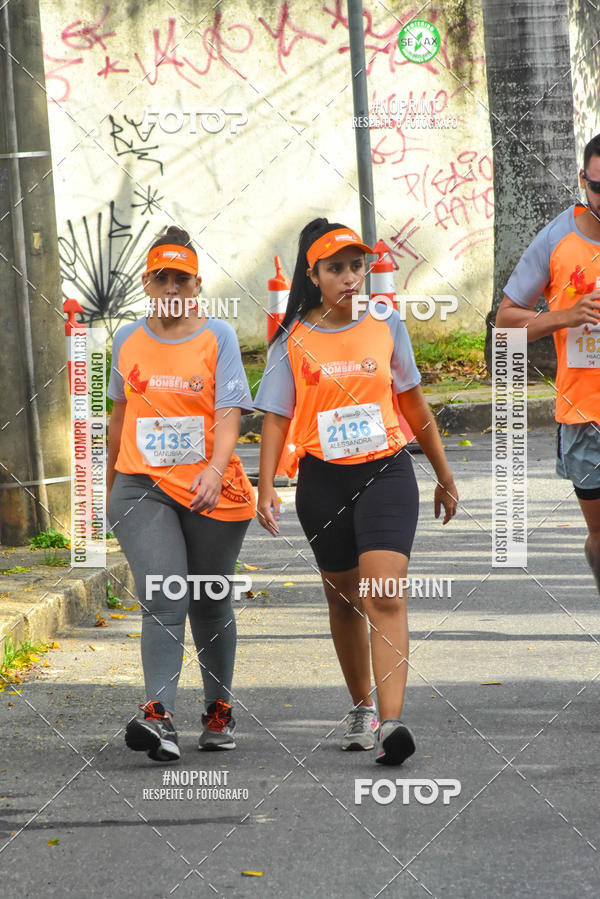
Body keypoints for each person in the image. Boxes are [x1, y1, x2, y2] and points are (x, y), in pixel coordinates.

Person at [254, 218, 458, 765]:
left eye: (356, 266)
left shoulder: (385, 322)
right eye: (336, 269)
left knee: (384, 593)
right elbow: (275, 417)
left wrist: (443, 473)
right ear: (314, 275)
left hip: (386, 471)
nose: (349, 277)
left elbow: (412, 401)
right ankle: (362, 708)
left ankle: (392, 723)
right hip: (322, 479)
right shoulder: (292, 337)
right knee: (344, 601)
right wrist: (267, 485)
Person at [106, 225, 255, 761]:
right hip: (141, 487)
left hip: (206, 488)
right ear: (147, 283)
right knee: (165, 594)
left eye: (182, 278)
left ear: (197, 284)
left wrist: (215, 469)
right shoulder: (126, 339)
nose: (171, 287)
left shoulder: (218, 336)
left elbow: (229, 412)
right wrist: (107, 490)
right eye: (161, 277)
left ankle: (218, 711)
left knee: (209, 598)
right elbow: (119, 415)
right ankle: (158, 716)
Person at [496, 134, 600, 593]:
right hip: (585, 417)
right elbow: (506, 322)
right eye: (598, 187)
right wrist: (565, 316)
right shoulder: (557, 237)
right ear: (582, 181)